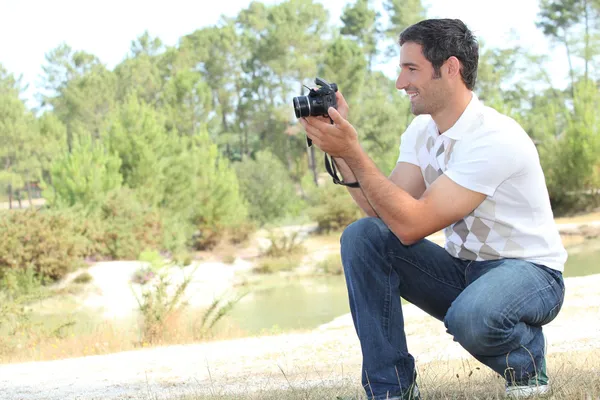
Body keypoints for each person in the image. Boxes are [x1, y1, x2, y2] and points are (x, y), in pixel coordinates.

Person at [299, 18, 567, 400]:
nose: (400, 83)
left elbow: (413, 226)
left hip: (530, 273)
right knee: (364, 236)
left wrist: (353, 151)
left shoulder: (494, 138)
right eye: (400, 70)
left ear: (451, 68)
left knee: (472, 317)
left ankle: (526, 362)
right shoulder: (421, 132)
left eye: (412, 69)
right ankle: (390, 390)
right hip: (464, 271)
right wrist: (341, 154)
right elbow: (384, 216)